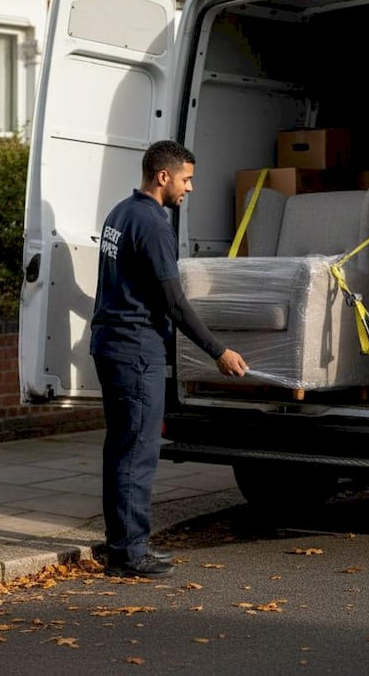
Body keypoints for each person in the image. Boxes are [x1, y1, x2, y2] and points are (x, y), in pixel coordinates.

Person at [91, 140, 249, 579]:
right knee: (138, 453)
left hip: (110, 343)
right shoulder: (152, 222)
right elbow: (175, 303)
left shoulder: (120, 213)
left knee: (121, 449)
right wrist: (219, 352)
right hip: (136, 348)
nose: (191, 188)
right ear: (163, 177)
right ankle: (130, 553)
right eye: (186, 178)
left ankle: (120, 543)